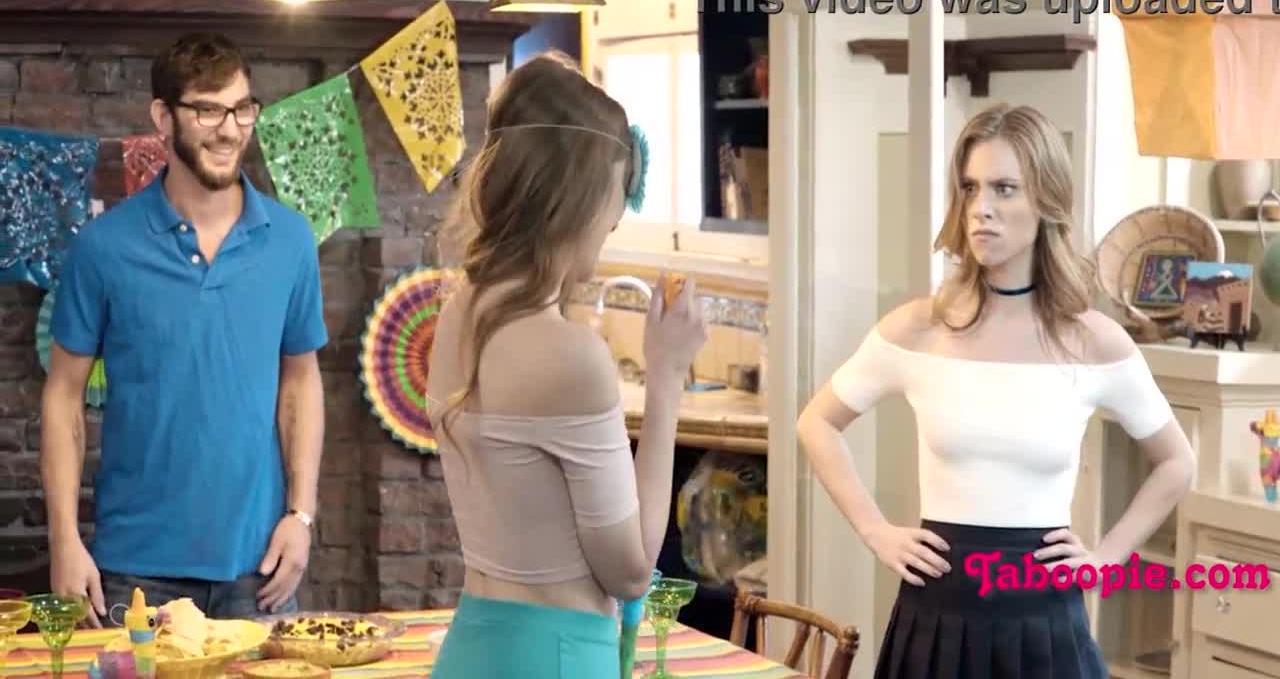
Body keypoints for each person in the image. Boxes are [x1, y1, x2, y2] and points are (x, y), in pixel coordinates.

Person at [795, 103, 1195, 678]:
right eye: (970, 188)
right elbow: (817, 422)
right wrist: (875, 530)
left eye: (1004, 188)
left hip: (1046, 622)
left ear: (1046, 200)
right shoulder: (918, 329)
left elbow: (1177, 462)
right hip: (935, 615)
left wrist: (1106, 559)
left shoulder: (1093, 342)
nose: (981, 208)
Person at [424, 52, 707, 678]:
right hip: (554, 657)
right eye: (612, 203)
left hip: (471, 648)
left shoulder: (457, 312)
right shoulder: (571, 356)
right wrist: (666, 377)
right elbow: (630, 570)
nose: (614, 221)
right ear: (575, 202)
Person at [40, 32, 327, 625]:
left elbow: (301, 380)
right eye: (207, 110)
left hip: (260, 570)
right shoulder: (103, 248)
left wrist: (301, 516)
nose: (229, 129)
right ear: (163, 117)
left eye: (242, 109)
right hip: (132, 573)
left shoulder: (291, 240)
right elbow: (63, 394)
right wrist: (64, 538)